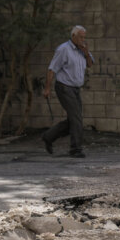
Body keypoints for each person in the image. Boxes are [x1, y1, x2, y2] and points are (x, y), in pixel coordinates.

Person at [43, 25, 94, 157]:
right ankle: (75, 149)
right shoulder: (63, 49)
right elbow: (51, 69)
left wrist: (87, 53)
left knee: (74, 119)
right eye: (80, 37)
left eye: (84, 37)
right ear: (73, 36)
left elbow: (90, 64)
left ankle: (49, 136)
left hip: (76, 89)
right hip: (64, 87)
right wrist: (47, 88)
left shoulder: (82, 50)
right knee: (76, 119)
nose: (83, 40)